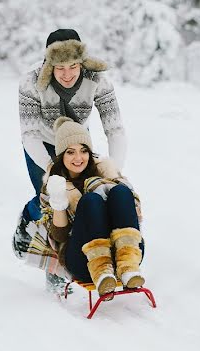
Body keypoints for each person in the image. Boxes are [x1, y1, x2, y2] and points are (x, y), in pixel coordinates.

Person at [17, 28, 127, 223]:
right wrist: (52, 168)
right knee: (50, 200)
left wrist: (114, 175)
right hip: (42, 141)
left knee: (85, 196)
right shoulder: (30, 81)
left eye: (73, 66)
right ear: (49, 66)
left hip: (77, 141)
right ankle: (27, 218)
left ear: (82, 62)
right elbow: (29, 135)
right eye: (60, 67)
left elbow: (115, 129)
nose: (67, 74)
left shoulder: (97, 79)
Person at [42, 117, 145, 295]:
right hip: (83, 260)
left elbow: (134, 213)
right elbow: (58, 236)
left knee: (120, 191)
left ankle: (128, 266)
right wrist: (59, 201)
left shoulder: (107, 173)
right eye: (70, 152)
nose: (78, 158)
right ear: (61, 155)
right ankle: (102, 271)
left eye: (83, 151)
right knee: (91, 201)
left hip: (125, 253)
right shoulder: (54, 183)